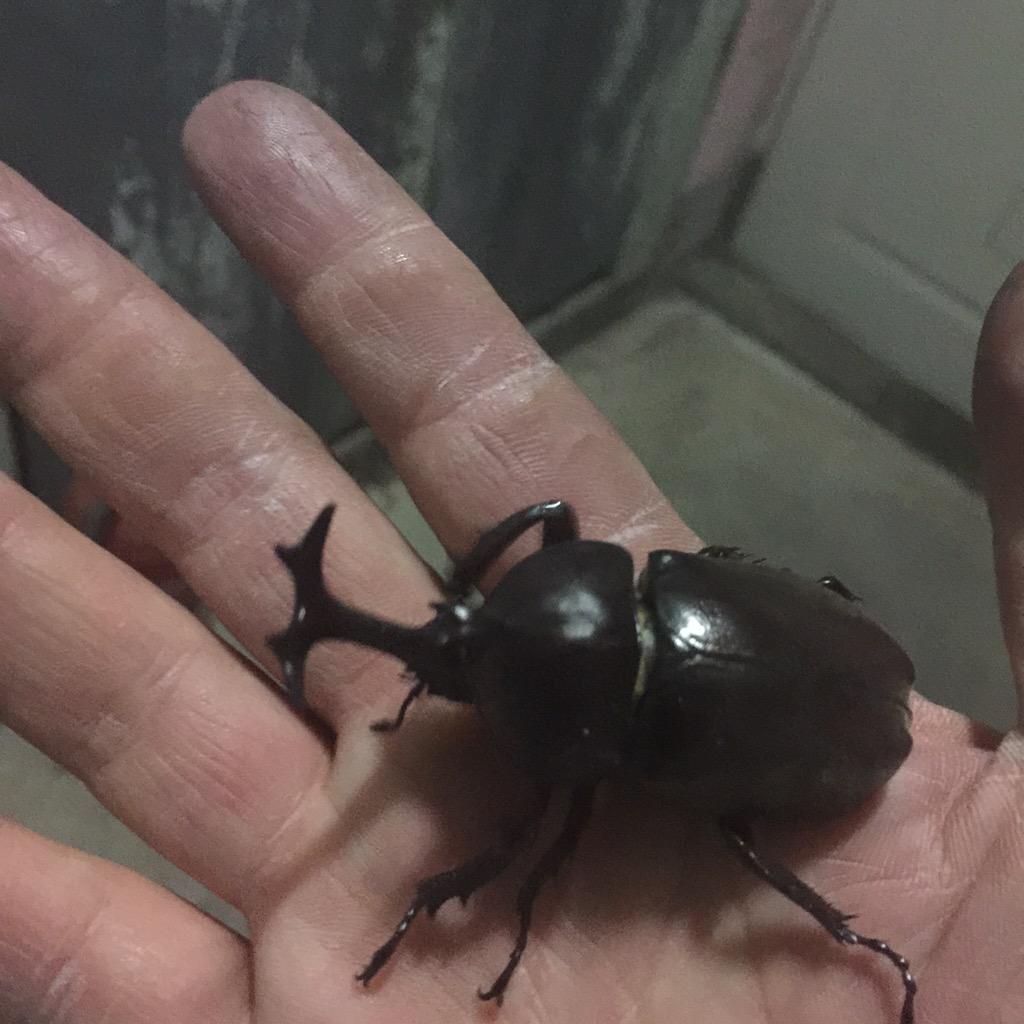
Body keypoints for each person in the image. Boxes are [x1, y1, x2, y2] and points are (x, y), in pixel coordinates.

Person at [0, 80, 1020, 1024]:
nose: (449, 644)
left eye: (464, 624)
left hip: (849, 747)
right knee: (670, 780)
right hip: (807, 661)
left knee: (684, 846)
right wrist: (468, 595)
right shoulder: (652, 585)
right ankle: (855, 940)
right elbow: (546, 521)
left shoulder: (618, 718)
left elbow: (528, 841)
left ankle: (854, 940)